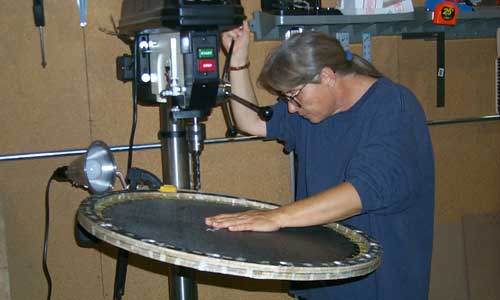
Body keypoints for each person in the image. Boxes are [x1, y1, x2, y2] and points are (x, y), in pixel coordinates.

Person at [206, 21, 435, 300]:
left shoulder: (394, 109)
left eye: (294, 95)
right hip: (321, 286)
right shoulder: (312, 111)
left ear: (327, 76)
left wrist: (277, 217)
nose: (290, 107)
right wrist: (238, 60)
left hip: (377, 289)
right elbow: (251, 121)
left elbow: (362, 192)